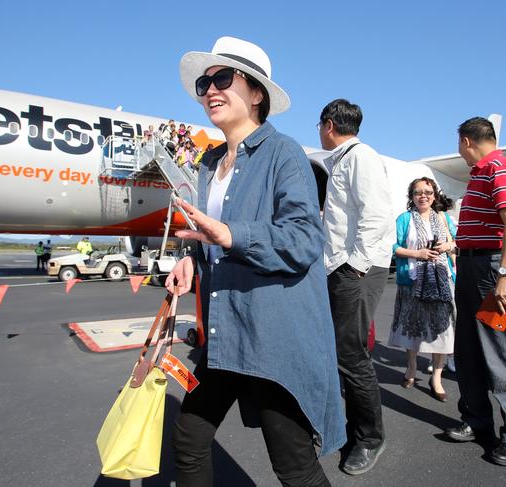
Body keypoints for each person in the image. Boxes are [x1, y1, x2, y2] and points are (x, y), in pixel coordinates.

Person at [166, 36, 345, 487]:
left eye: (222, 78)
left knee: (294, 467)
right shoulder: (209, 163)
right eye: (205, 82)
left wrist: (228, 235)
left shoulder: (285, 153)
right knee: (188, 439)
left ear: (257, 93)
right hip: (227, 334)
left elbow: (304, 239)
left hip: (272, 335)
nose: (210, 89)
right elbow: (213, 235)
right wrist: (192, 258)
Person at [444, 116, 506, 466]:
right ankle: (477, 420)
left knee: (502, 350)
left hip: (493, 270)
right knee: (468, 350)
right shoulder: (480, 172)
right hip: (470, 267)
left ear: (465, 140)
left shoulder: (499, 168)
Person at [317, 98, 394, 475]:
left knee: (350, 356)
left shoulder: (360, 157)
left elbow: (378, 215)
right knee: (339, 353)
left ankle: (370, 438)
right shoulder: (344, 160)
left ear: (328, 125)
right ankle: (349, 430)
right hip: (341, 267)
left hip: (358, 270)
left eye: (319, 126)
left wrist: (355, 266)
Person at [388, 177, 456, 401]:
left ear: (434, 195)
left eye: (427, 191)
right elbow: (392, 246)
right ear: (412, 197)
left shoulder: (444, 218)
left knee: (443, 332)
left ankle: (436, 377)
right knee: (413, 329)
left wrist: (447, 245)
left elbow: (458, 241)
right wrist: (417, 254)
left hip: (441, 281)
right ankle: (411, 367)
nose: (423, 195)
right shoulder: (404, 219)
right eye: (417, 192)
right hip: (412, 280)